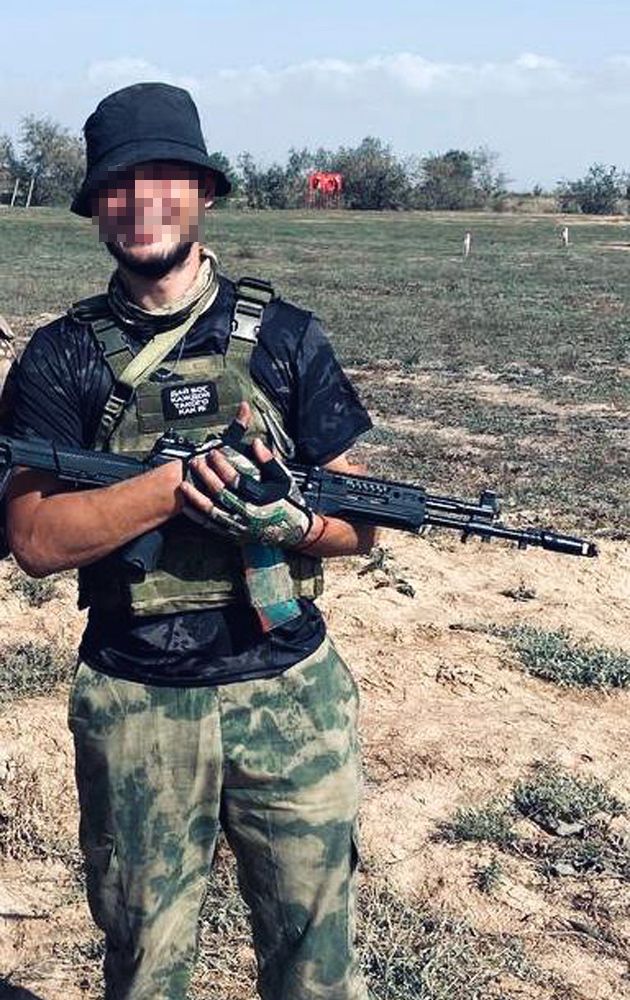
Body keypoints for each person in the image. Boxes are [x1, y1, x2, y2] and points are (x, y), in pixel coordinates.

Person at [6, 82, 375, 1000]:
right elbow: (35, 539)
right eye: (119, 185)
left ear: (202, 191)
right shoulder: (60, 356)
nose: (142, 203)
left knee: (317, 962)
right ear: (97, 208)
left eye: (164, 179)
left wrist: (295, 525)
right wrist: (173, 486)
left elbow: (361, 517)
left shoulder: (286, 338)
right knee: (146, 963)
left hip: (289, 693)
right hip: (138, 701)